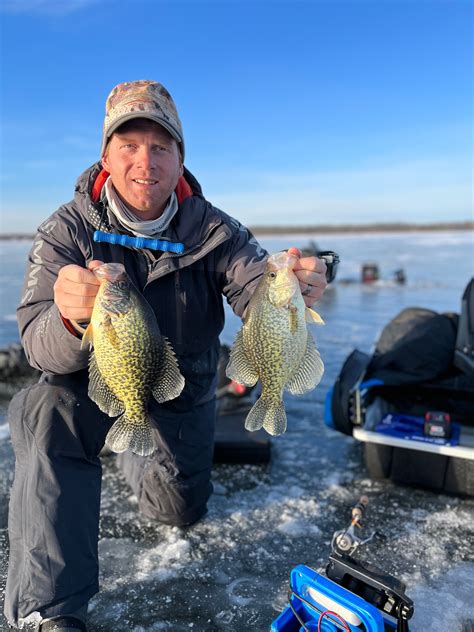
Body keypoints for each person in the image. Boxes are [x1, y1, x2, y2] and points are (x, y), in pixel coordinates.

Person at [4, 80, 328, 631]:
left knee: (177, 511)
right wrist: (66, 318)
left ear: (180, 159)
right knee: (43, 410)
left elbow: (254, 286)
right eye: (129, 144)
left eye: (161, 146)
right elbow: (37, 338)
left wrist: (298, 283)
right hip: (97, 377)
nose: (145, 161)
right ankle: (48, 612)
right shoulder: (66, 229)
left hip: (186, 384)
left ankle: (134, 451)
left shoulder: (216, 230)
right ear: (105, 155)